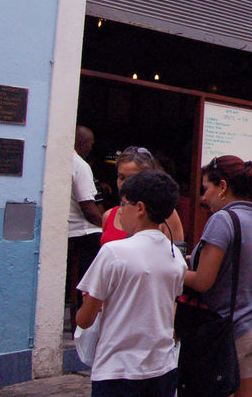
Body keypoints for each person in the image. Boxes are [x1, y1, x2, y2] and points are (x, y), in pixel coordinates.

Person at [76, 170, 187, 397]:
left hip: (117, 370)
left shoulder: (113, 253)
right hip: (161, 367)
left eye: (123, 203)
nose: (119, 211)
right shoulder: (174, 255)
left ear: (140, 208)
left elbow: (85, 320)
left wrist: (93, 304)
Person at [184, 156, 252, 397]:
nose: (203, 197)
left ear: (222, 187)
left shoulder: (222, 220)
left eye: (206, 189)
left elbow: (202, 281)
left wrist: (175, 270)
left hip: (227, 328)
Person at [100, 147, 184, 245]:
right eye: (121, 177)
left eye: (133, 178)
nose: (125, 184)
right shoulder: (109, 215)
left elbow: (175, 255)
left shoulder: (166, 214)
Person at [67, 125, 103, 331]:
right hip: (84, 232)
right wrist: (109, 227)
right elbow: (88, 208)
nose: (91, 148)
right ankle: (87, 319)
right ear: (82, 144)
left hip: (72, 232)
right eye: (90, 144)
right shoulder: (80, 165)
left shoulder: (65, 160)